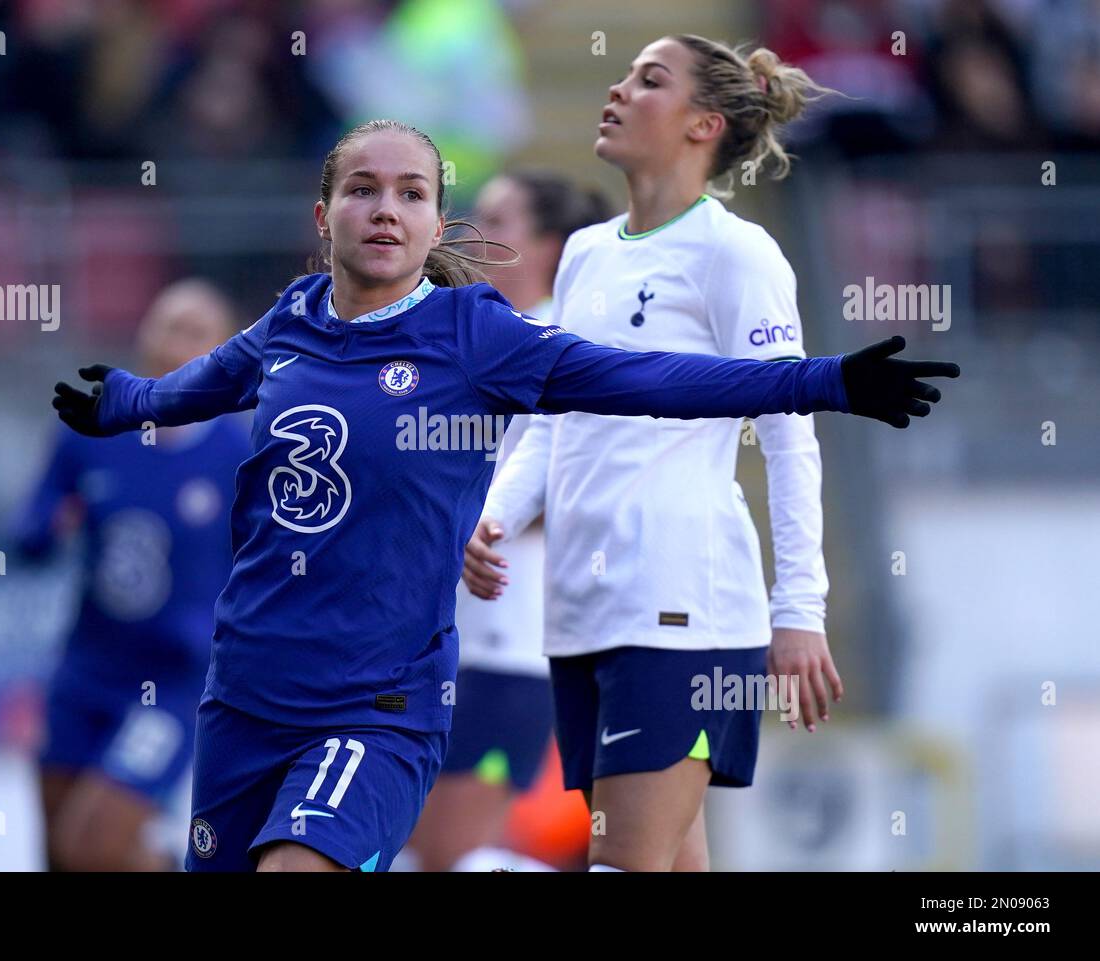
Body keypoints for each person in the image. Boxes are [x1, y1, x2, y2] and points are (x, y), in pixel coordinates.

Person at [50, 118, 958, 873]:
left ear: (437, 226)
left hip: (379, 707)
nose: (386, 208)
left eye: (412, 193)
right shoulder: (291, 322)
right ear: (322, 215)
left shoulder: (473, 337)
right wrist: (120, 402)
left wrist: (822, 380)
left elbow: (645, 380)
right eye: (364, 189)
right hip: (243, 695)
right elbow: (194, 387)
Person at [462, 35, 871, 872]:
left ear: (703, 125)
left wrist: (800, 606)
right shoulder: (586, 253)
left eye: (650, 81)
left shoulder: (735, 252)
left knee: (619, 863)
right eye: (623, 75)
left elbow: (790, 431)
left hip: (681, 608)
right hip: (580, 607)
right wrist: (496, 515)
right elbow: (550, 414)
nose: (618, 89)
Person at [404, 170, 609, 872]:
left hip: (509, 645)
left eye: (498, 219)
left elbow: (583, 486)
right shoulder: (464, 333)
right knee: (407, 847)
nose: (470, 232)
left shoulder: (568, 343)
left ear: (548, 244)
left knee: (447, 854)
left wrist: (459, 516)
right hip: (434, 639)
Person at [14, 279, 250, 871]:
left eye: (197, 332)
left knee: (95, 842)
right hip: (88, 667)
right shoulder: (92, 430)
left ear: (222, 352)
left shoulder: (239, 452)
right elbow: (30, 529)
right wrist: (48, 529)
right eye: (169, 325)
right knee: (60, 852)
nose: (178, 344)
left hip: (174, 682)